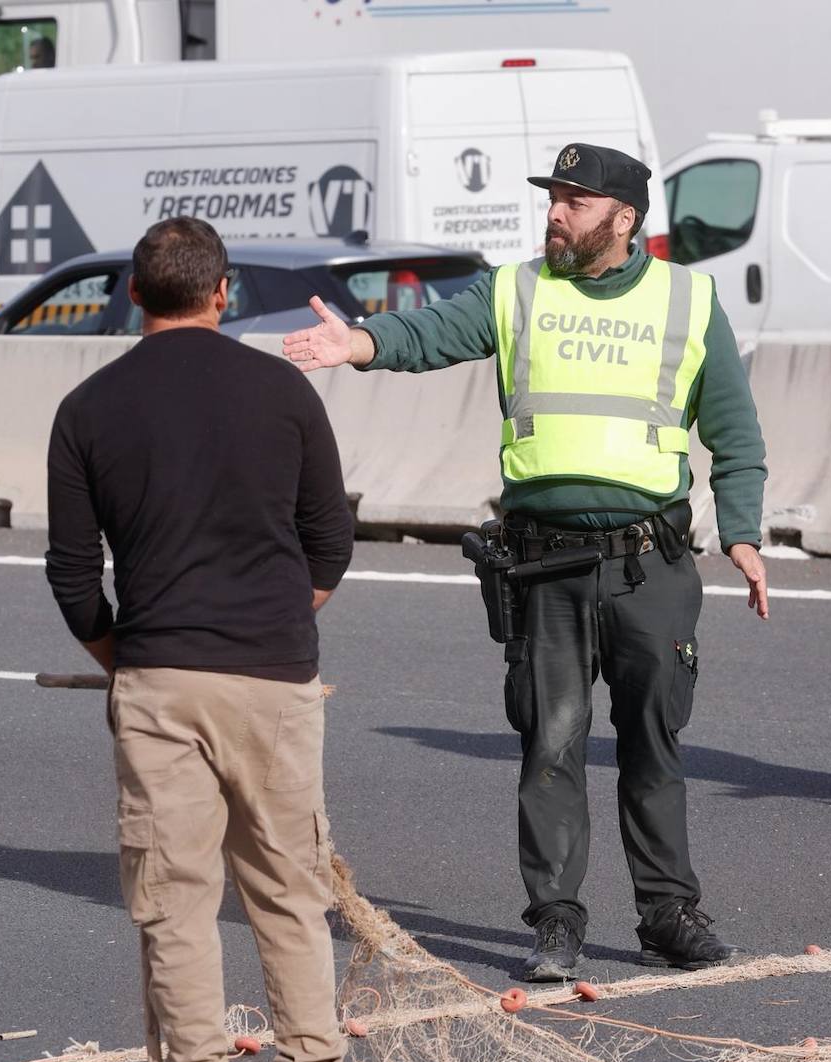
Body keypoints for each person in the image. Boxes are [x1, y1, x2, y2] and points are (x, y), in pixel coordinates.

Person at [283, 143, 769, 982]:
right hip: (545, 566)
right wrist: (361, 343)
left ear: (623, 219)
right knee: (552, 744)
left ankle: (667, 914)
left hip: (649, 564)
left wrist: (744, 534)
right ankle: (556, 922)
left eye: (575, 202)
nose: (555, 213)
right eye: (553, 197)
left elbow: (735, 428)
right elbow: (433, 331)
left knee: (654, 741)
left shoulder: (689, 299)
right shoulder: (516, 290)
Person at [46, 217, 358, 1062]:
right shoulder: (284, 391)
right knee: (289, 895)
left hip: (159, 679)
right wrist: (275, 623)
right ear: (224, 293)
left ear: (133, 296)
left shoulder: (88, 408)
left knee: (175, 908)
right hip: (275, 676)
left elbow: (70, 577)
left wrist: (127, 658)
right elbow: (331, 543)